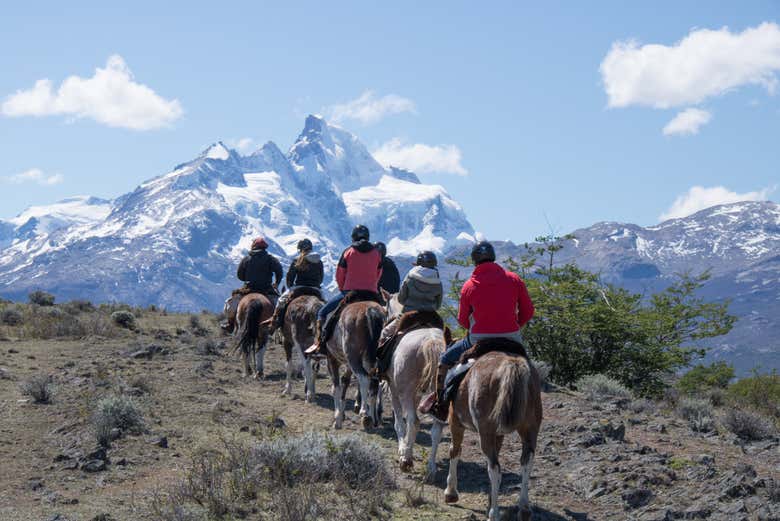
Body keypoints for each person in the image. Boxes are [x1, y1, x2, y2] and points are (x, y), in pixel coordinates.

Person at [425, 241, 534, 422]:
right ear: (493, 257)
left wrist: (475, 328)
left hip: (479, 338)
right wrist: (514, 326)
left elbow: (462, 319)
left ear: (474, 260)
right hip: (512, 337)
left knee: (444, 359)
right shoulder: (514, 279)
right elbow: (528, 311)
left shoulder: (469, 285)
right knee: (529, 369)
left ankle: (441, 406)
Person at [304, 224, 383, 356]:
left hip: (350, 292)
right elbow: (378, 273)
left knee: (322, 313)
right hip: (371, 294)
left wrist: (343, 290)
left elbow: (340, 274)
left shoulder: (348, 251)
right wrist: (371, 285)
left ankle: (320, 344)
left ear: (353, 237)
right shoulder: (376, 253)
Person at [378, 250, 444, 352]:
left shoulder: (411, 276)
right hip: (431, 317)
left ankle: (379, 365)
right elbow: (438, 305)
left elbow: (401, 298)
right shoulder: (438, 280)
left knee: (384, 333)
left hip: (409, 314)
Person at [267, 238, 324, 333]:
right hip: (315, 289)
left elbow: (290, 278)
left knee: (281, 301)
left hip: (299, 287)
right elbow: (321, 278)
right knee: (324, 304)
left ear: (301, 249)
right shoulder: (319, 261)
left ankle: (274, 322)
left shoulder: (297, 260)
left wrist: (290, 287)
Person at [236, 237, 284, 303]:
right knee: (279, 307)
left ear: (253, 247)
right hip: (266, 288)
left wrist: (248, 279)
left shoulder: (246, 259)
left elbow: (239, 275)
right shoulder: (271, 259)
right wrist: (276, 283)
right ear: (264, 248)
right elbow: (279, 272)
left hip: (249, 288)